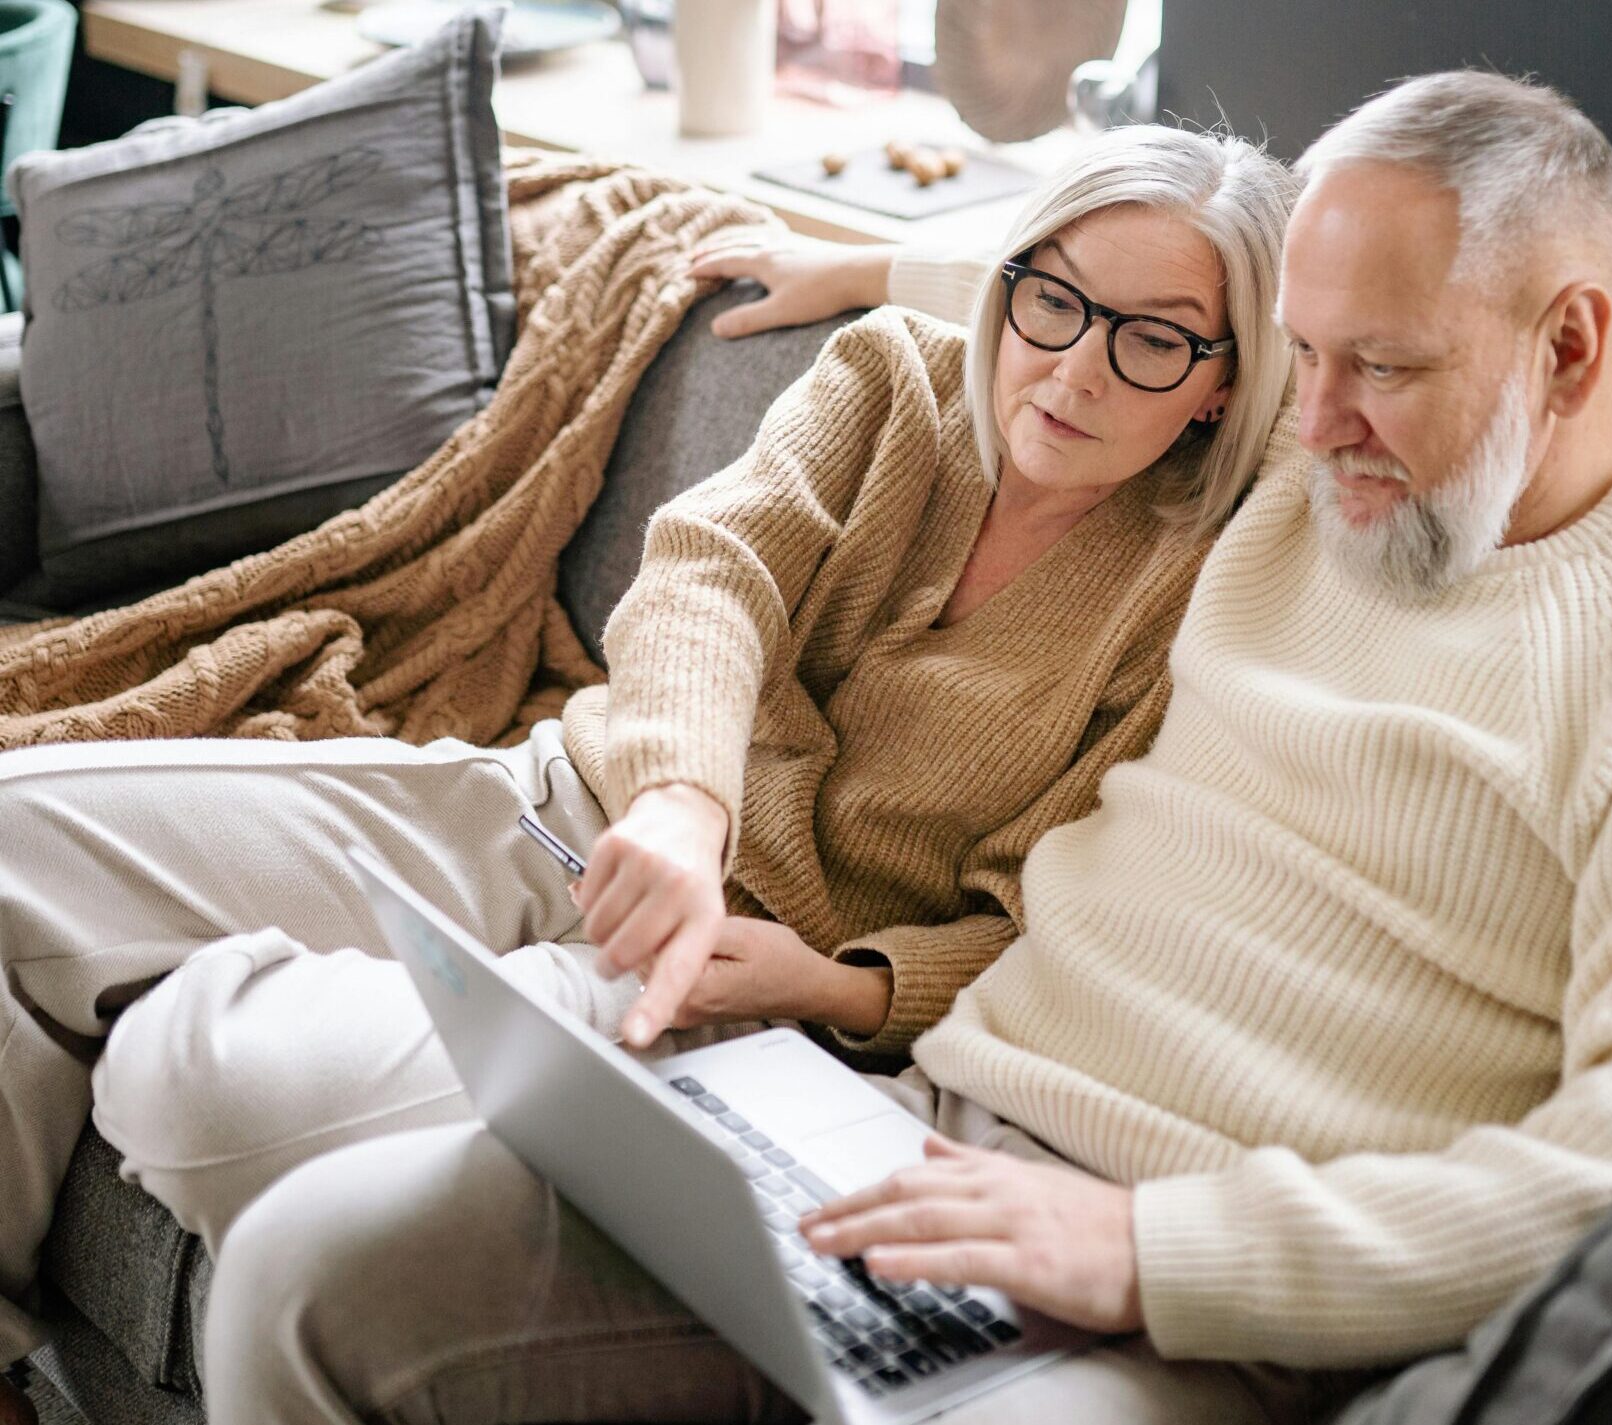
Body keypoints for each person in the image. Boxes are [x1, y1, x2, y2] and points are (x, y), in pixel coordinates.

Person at [185, 69, 1612, 1425]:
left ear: (1571, 343)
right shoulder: (1321, 469)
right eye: (1299, 355)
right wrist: (861, 256)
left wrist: (1151, 1252)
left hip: (1200, 1289)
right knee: (307, 1275)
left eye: (1377, 366)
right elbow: (1122, 305)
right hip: (912, 1122)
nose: (1310, 420)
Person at [0, 125, 1299, 1425]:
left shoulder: (1202, 590)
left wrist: (845, 985)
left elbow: (1041, 915)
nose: (1072, 368)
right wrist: (685, 795)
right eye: (1052, 299)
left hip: (719, 981)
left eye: (1154, 339)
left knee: (197, 1074)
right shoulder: (894, 373)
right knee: (16, 839)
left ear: (1222, 385)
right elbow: (710, 570)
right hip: (555, 804)